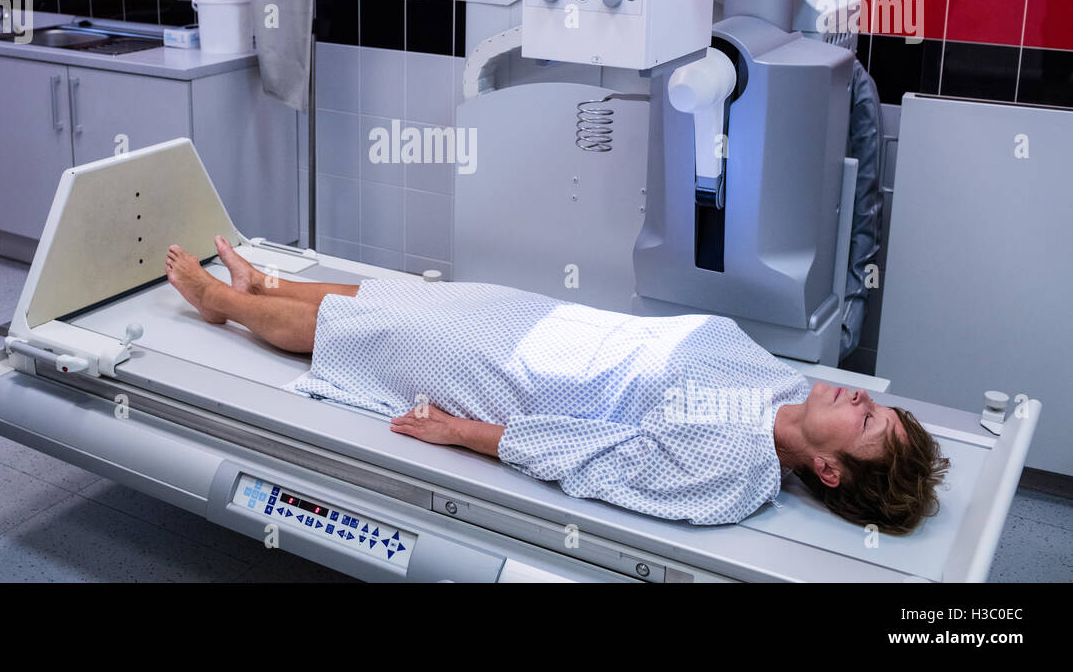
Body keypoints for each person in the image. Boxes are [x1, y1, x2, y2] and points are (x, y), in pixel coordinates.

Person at [166, 237, 948, 532]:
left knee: (372, 335)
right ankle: (262, 283)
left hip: (517, 376)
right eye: (876, 402)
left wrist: (461, 433)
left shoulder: (727, 474)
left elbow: (591, 459)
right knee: (402, 298)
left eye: (871, 421)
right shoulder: (777, 382)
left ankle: (223, 305)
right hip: (544, 322)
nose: (859, 398)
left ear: (831, 469)